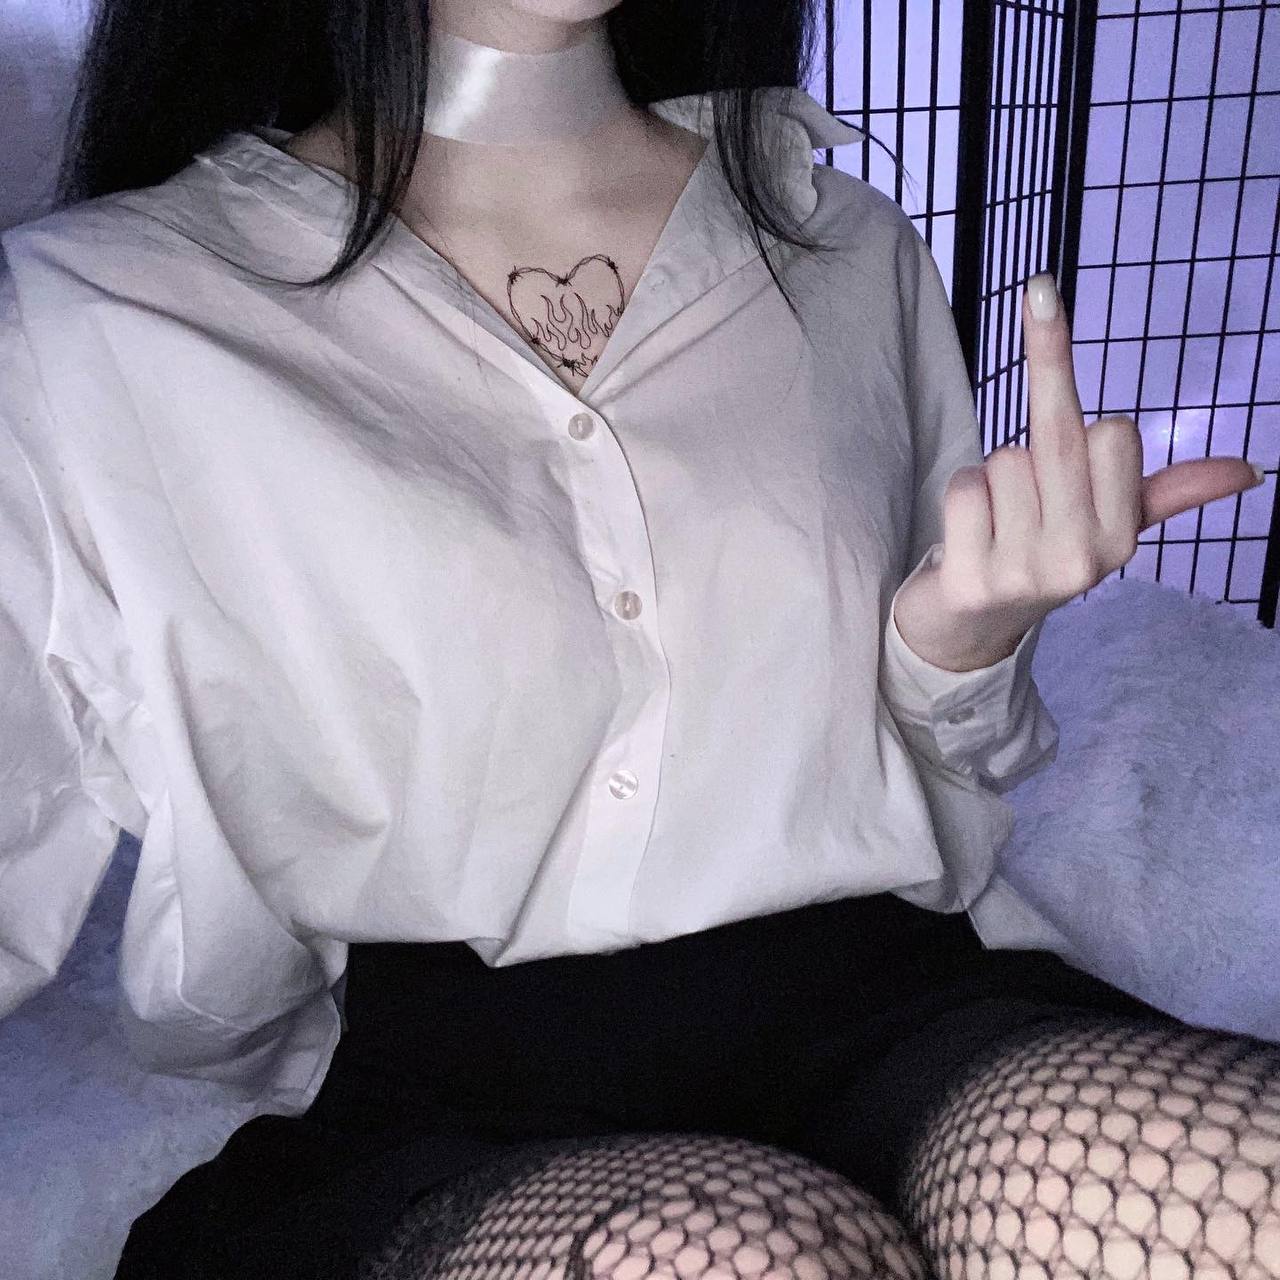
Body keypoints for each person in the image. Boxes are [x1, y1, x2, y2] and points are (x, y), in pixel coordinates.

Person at [0, 0, 1274, 1277]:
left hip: (891, 992)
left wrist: (959, 640)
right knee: (713, 1259)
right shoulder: (96, 318)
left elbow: (953, 768)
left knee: (1233, 1198)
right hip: (465, 1077)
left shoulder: (845, 245)